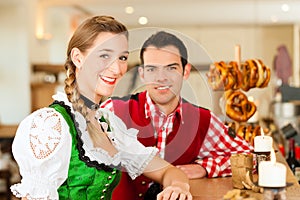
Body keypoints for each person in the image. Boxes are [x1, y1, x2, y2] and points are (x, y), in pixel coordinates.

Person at [10, 16, 192, 200]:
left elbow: (168, 171)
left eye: (122, 58)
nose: (117, 68)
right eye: (104, 55)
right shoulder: (50, 124)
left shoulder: (109, 124)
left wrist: (178, 187)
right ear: (78, 58)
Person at [100, 31, 253, 199]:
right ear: (142, 74)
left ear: (185, 71)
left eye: (171, 68)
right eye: (152, 69)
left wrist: (205, 167)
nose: (161, 78)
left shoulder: (203, 120)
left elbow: (251, 157)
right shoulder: (112, 111)